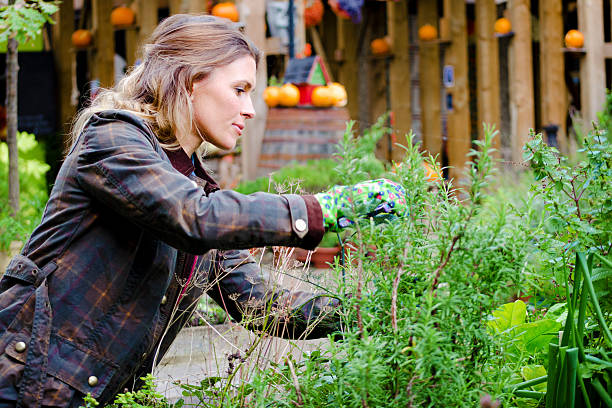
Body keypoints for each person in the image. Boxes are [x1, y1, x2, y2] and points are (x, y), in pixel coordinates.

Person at [0, 14, 406, 407]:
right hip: (23, 384)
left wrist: (371, 311)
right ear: (191, 82)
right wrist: (324, 209)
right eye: (240, 89)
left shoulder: (194, 188)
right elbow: (194, 217)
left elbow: (258, 303)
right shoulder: (112, 138)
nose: (249, 109)